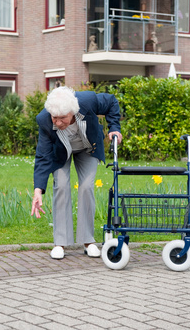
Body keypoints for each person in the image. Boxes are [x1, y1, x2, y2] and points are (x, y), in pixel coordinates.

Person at [31, 86, 122, 259]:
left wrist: (114, 128)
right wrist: (38, 190)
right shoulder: (44, 120)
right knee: (62, 186)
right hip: (61, 153)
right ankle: (60, 243)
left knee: (87, 187)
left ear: (73, 112)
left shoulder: (87, 101)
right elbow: (43, 156)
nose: (57, 123)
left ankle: (88, 241)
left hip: (87, 148)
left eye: (63, 118)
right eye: (54, 118)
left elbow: (111, 102)